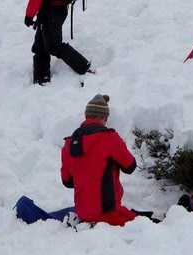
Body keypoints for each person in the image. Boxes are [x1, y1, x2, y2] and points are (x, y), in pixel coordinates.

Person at [60, 94, 139, 227]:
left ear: (86, 116)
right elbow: (130, 166)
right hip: (108, 212)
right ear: (105, 117)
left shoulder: (68, 144)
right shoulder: (109, 137)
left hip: (82, 213)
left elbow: (67, 182)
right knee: (145, 224)